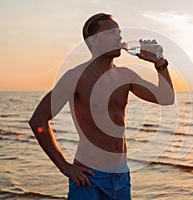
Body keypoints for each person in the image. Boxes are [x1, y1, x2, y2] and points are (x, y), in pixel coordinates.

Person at [29, 13, 174, 200]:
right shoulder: (76, 77)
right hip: (89, 177)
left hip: (121, 176)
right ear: (94, 41)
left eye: (119, 33)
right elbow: (38, 121)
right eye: (112, 33)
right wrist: (64, 166)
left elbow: (166, 97)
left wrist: (160, 64)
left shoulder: (125, 75)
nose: (119, 38)